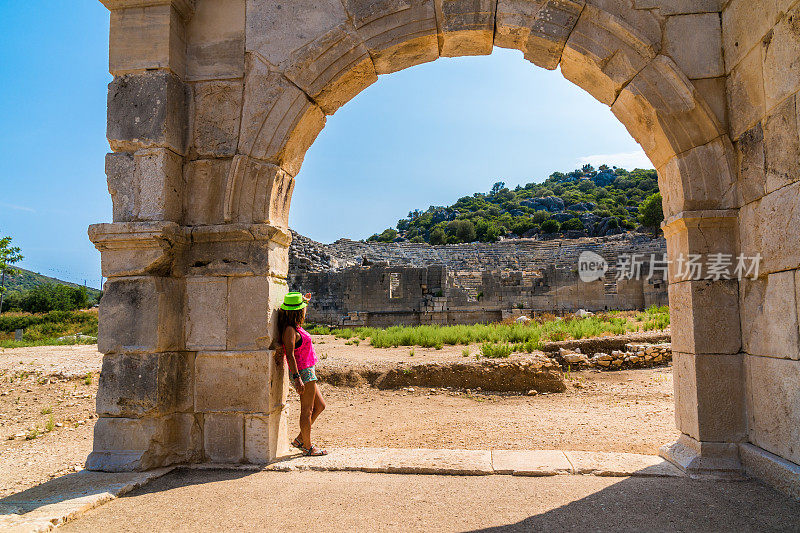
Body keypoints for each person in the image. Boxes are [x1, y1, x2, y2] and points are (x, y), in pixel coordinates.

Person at [275, 292, 327, 456]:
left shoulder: (294, 326)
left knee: (320, 406)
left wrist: (305, 300)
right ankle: (307, 446)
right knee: (307, 410)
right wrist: (297, 379)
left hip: (308, 371)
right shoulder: (290, 330)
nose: (305, 311)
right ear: (298, 312)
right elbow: (289, 354)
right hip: (303, 373)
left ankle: (300, 439)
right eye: (303, 309)